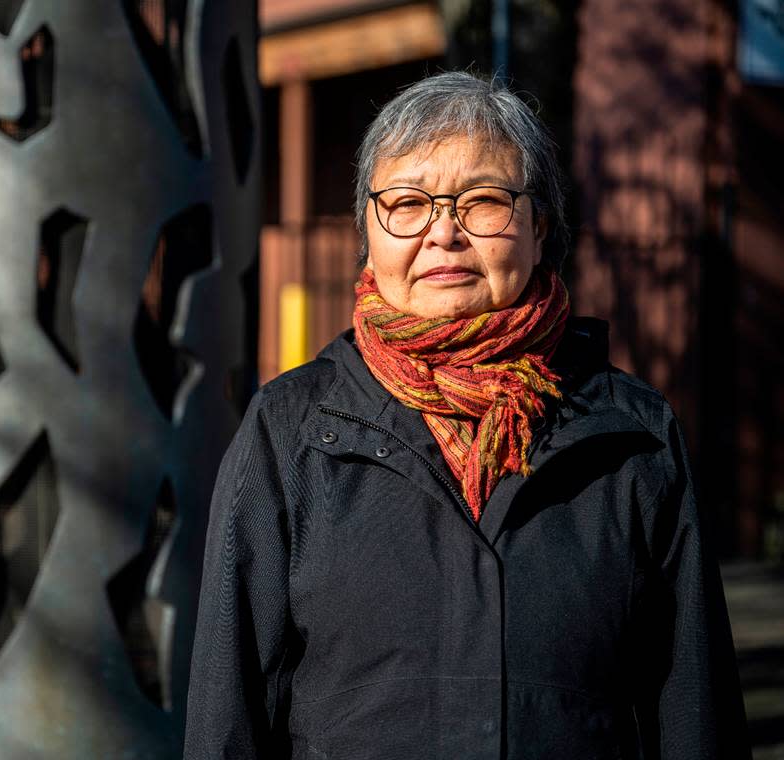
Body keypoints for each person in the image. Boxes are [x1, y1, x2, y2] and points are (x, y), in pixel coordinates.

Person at [183, 72, 749, 759]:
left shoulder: (632, 434)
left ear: (540, 228)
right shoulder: (289, 430)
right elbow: (228, 716)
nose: (443, 233)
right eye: (407, 203)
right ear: (369, 229)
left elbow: (696, 715)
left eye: (482, 202)